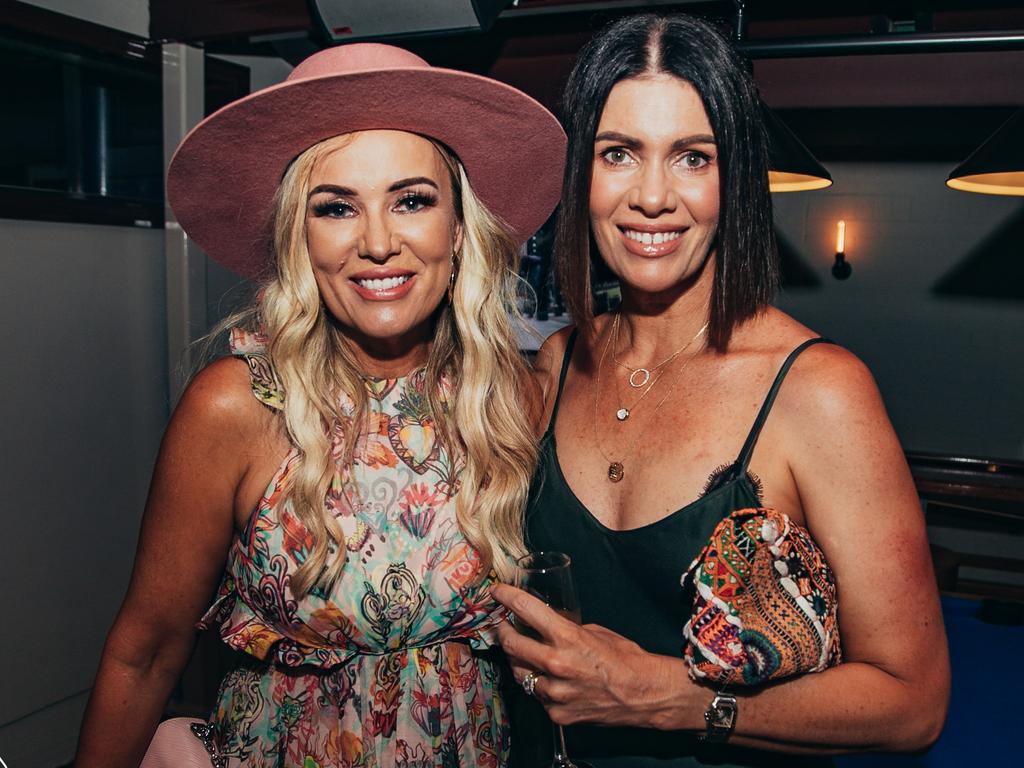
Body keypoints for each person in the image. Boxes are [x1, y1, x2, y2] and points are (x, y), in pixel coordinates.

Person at [74, 43, 565, 768]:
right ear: (298, 238)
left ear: (459, 232)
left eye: (412, 200)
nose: (377, 243)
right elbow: (145, 654)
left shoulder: (512, 399)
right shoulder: (238, 405)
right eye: (336, 207)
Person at [493, 13, 949, 768]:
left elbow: (913, 704)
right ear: (581, 175)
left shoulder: (819, 392)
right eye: (619, 154)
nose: (651, 196)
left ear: (734, 178)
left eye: (691, 158)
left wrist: (666, 696)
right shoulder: (556, 365)